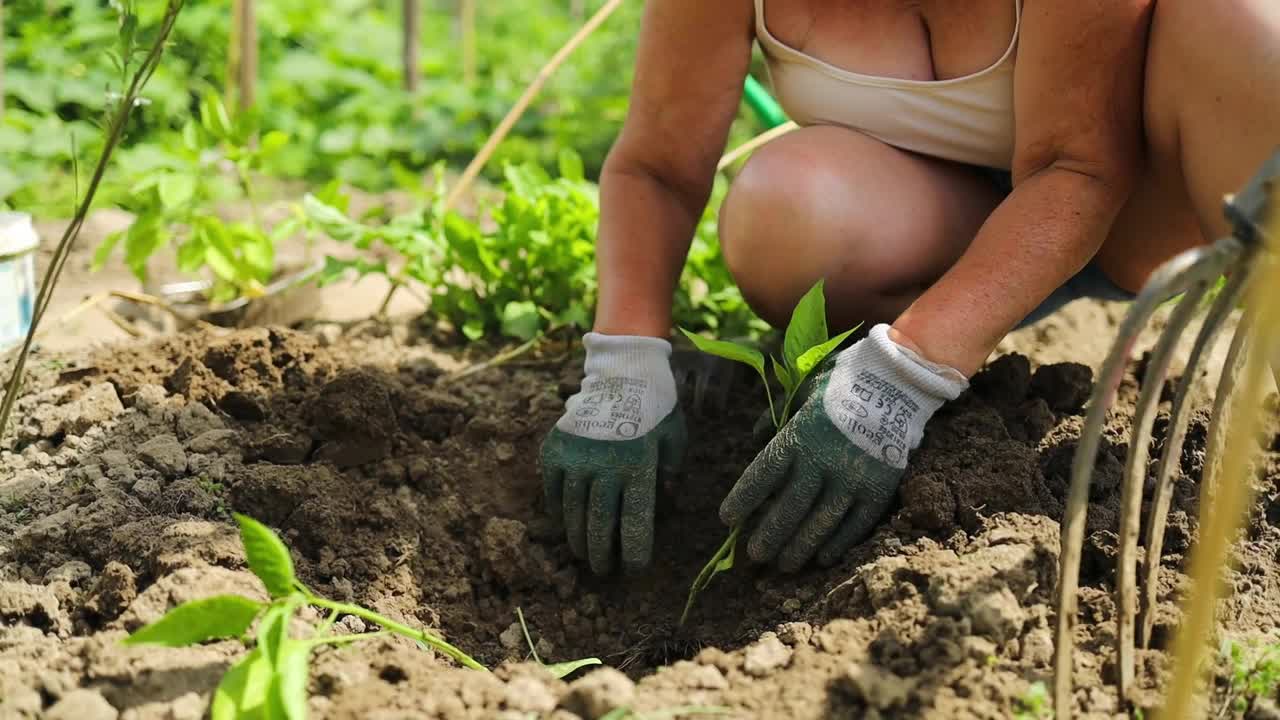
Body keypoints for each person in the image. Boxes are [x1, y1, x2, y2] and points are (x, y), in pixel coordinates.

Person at [540, 0, 1280, 576]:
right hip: (946, 223)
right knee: (782, 214)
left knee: (1248, 28)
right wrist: (624, 365)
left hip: (1145, 194)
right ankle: (944, 319)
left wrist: (906, 373)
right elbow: (658, 167)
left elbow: (1081, 167)